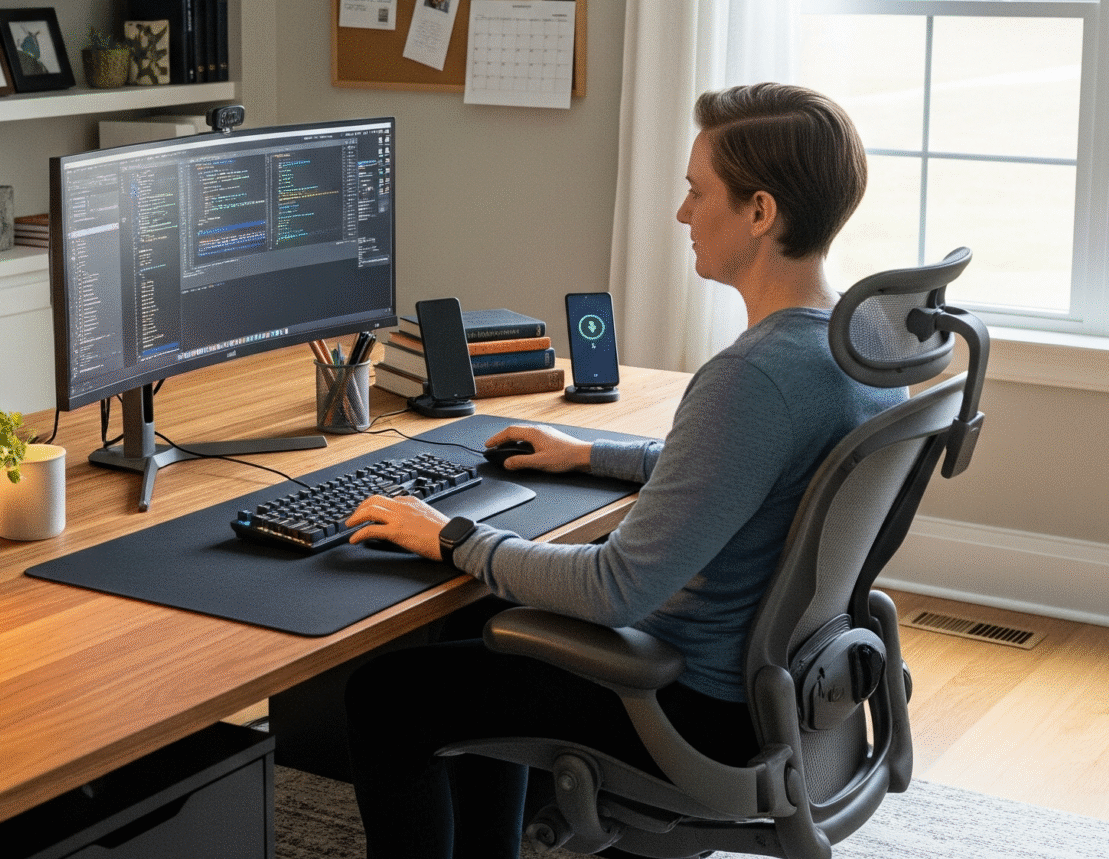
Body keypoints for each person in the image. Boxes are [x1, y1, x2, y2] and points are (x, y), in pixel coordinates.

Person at [341, 83, 907, 859]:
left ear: (760, 212)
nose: (681, 213)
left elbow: (615, 589)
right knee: (481, 622)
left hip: (688, 703)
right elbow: (750, 477)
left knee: (384, 694)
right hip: (784, 685)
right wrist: (590, 452)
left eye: (695, 191)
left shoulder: (755, 375)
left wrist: (452, 536)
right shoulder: (860, 341)